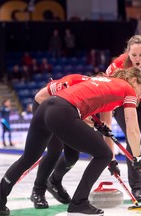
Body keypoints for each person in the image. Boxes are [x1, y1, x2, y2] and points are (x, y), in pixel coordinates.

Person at [0, 67, 141, 216]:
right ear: (134, 81)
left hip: (46, 107)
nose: (139, 96)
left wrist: (100, 134)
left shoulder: (100, 82)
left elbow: (90, 112)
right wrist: (137, 158)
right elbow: (132, 128)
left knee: (27, 159)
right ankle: (79, 202)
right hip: (63, 111)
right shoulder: (127, 88)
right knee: (103, 154)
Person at [30, 74, 103, 209]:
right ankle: (38, 191)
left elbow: (100, 126)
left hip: (68, 113)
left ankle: (54, 182)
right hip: (46, 107)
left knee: (72, 156)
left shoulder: (104, 96)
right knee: (55, 150)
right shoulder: (75, 83)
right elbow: (39, 97)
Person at [106, 34, 141, 202]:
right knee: (133, 140)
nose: (137, 59)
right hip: (123, 105)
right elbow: (108, 90)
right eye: (134, 55)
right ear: (127, 53)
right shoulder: (117, 65)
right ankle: (136, 187)